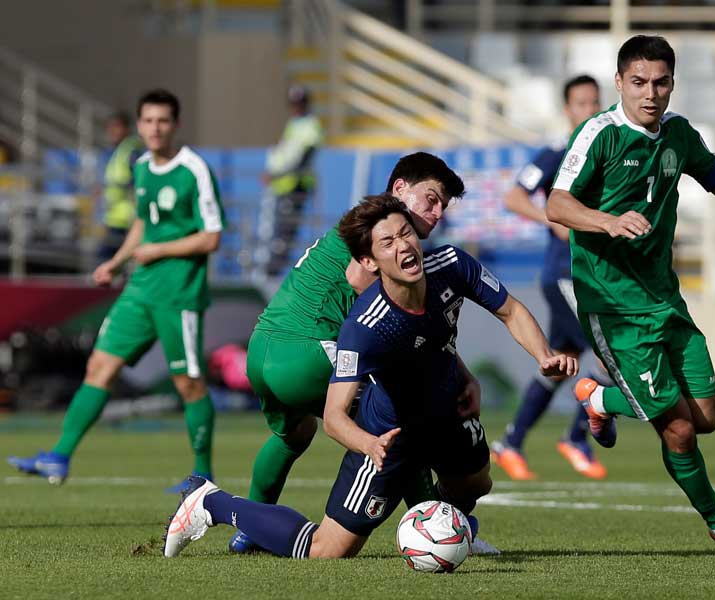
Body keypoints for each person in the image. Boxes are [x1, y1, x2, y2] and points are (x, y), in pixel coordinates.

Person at [163, 194, 577, 560]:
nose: (404, 246)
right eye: (388, 243)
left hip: (445, 412)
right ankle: (212, 504)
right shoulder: (365, 326)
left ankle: (440, 530)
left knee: (477, 482)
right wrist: (368, 444)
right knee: (327, 550)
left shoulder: (451, 264)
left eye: (406, 234)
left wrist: (544, 355)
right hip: (389, 436)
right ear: (368, 261)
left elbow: (511, 310)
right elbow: (336, 413)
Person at [547, 35, 715, 556]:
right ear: (619, 83)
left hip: (665, 299)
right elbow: (557, 205)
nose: (649, 93)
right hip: (614, 306)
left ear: (672, 83)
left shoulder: (677, 133)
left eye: (660, 82)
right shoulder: (600, 134)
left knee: (706, 417)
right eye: (638, 82)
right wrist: (607, 221)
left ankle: (598, 397)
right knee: (677, 428)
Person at [231, 152, 500, 555]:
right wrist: (460, 373)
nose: (438, 211)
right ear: (399, 190)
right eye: (431, 198)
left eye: (443, 204)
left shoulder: (361, 224)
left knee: (292, 435)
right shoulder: (382, 235)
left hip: (264, 349)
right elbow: (371, 293)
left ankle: (251, 525)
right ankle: (440, 531)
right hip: (309, 352)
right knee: (401, 425)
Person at [7, 89, 225, 492]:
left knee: (188, 384)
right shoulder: (141, 166)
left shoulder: (194, 169)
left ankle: (202, 476)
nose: (155, 129)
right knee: (99, 367)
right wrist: (117, 261)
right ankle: (59, 456)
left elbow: (211, 237)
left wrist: (158, 249)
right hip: (139, 289)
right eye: (148, 121)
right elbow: (142, 222)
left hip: (179, 294)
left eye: (163, 121)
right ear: (139, 125)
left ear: (175, 125)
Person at [491, 74, 612, 481]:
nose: (590, 110)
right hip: (565, 273)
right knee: (612, 355)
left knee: (562, 363)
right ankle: (578, 437)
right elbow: (513, 196)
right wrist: (553, 219)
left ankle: (512, 441)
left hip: (592, 274)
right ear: (567, 110)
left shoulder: (608, 152)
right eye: (581, 103)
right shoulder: (556, 153)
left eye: (595, 102)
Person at [261, 84, 324, 276]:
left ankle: (275, 271)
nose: (296, 107)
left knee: (286, 232)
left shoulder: (311, 125)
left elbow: (304, 158)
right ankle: (273, 269)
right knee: (279, 230)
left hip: (296, 185)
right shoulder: (294, 123)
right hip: (283, 186)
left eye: (300, 103)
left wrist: (278, 174)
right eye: (294, 103)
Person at [98, 112, 144, 261]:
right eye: (110, 127)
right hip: (115, 216)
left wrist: (120, 187)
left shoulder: (131, 151)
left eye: (116, 126)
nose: (112, 131)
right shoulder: (117, 151)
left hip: (127, 218)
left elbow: (138, 181)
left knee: (107, 260)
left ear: (126, 129)